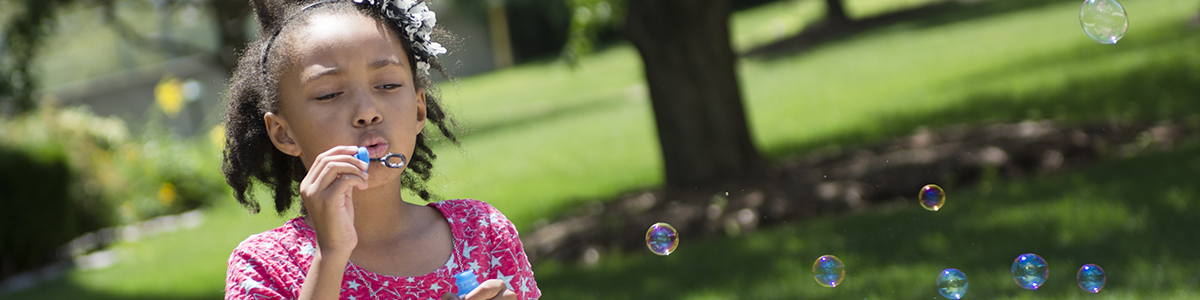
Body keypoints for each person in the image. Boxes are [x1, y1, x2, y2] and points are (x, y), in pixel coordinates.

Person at [221, 0, 539, 299]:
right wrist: (330, 255)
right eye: (330, 94)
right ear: (284, 133)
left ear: (418, 110)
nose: (367, 111)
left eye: (387, 85)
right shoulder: (263, 265)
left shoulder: (482, 233)